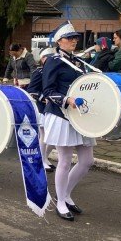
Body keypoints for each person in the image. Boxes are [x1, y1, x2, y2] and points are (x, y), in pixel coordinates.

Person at [42, 22, 97, 221]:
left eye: (75, 38)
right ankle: (62, 202)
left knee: (87, 161)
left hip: (80, 117)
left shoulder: (79, 62)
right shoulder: (53, 61)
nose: (74, 41)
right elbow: (47, 91)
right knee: (64, 161)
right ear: (59, 41)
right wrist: (67, 100)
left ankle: (65, 194)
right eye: (69, 38)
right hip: (61, 115)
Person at [26, 47, 57, 172]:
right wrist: (42, 97)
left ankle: (44, 157)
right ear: (43, 59)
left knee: (53, 137)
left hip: (53, 107)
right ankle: (40, 160)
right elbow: (31, 91)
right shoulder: (39, 72)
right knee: (44, 135)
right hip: (41, 107)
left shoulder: (53, 71)